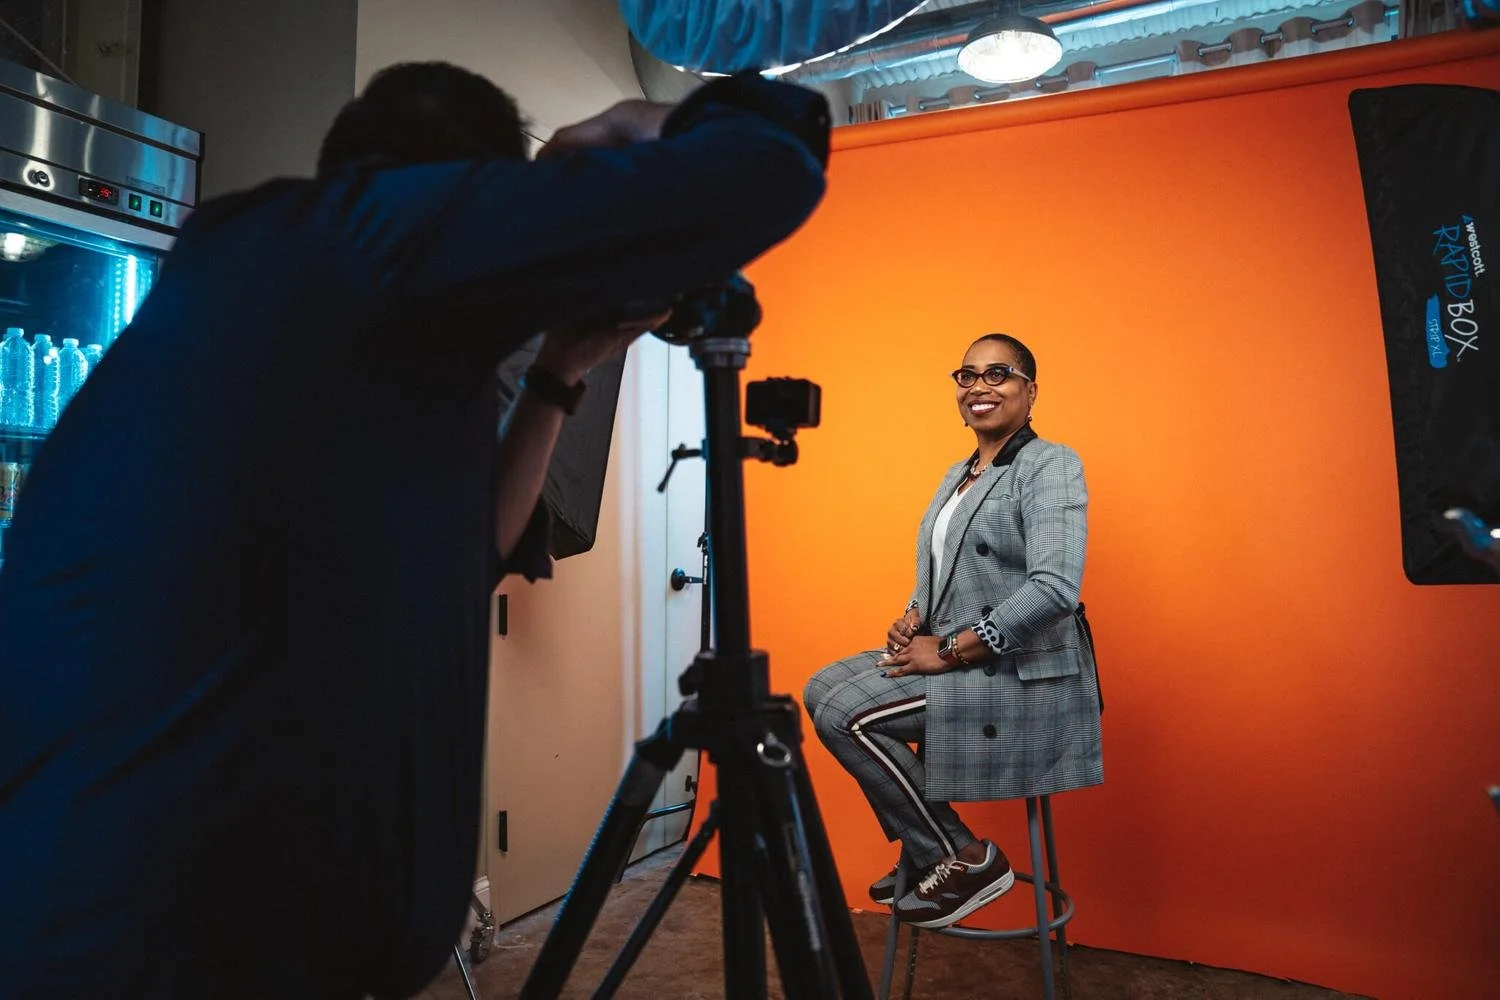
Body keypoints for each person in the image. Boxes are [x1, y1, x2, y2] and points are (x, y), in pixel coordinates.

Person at [0, 63, 828, 999]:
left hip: (218, 926)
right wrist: (624, 127)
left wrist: (563, 369)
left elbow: (468, 553)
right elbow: (774, 161)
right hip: (172, 941)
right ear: (466, 187)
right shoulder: (371, 236)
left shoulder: (323, 301)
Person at [803, 333, 1102, 931]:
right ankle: (923, 851)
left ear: (1029, 389)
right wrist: (915, 615)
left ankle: (958, 856)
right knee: (821, 686)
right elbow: (950, 568)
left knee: (846, 714)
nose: (979, 387)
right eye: (967, 376)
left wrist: (945, 648)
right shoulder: (961, 472)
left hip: (1022, 675)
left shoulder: (1051, 465)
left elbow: (1053, 589)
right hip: (962, 655)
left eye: (998, 374)